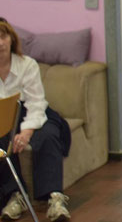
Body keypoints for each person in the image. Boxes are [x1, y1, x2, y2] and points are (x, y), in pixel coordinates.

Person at [0, 18, 71, 222]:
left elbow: (36, 103)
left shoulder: (26, 65)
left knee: (48, 136)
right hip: (4, 117)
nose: (0, 43)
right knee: (3, 141)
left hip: (34, 112)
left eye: (3, 37)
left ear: (11, 39)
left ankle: (55, 198)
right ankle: (15, 196)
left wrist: (26, 132)